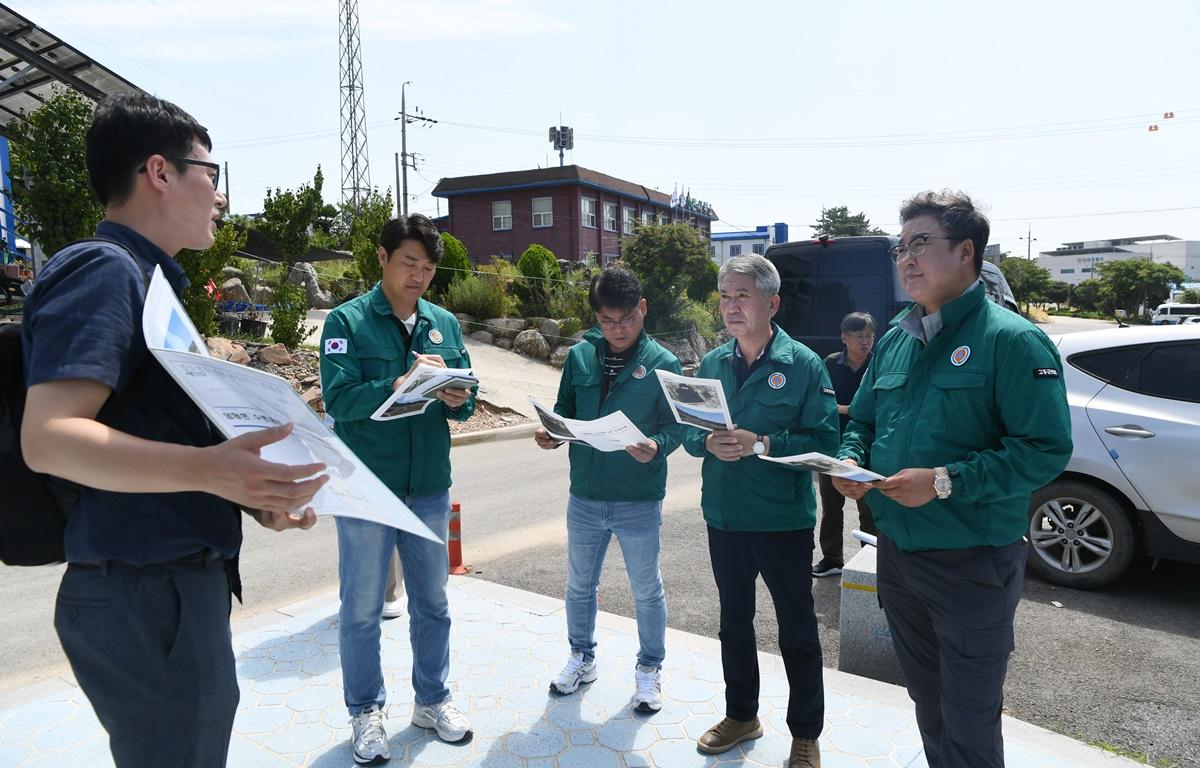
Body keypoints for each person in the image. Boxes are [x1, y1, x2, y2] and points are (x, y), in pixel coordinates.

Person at [20, 93, 327, 768]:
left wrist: (254, 493)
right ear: (159, 171)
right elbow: (48, 437)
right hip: (144, 593)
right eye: (210, 174)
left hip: (165, 589)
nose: (218, 196)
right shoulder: (104, 271)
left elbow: (166, 440)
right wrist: (211, 471)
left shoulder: (151, 284)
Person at [833, 191, 1072, 768]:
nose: (906, 259)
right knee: (929, 703)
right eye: (900, 247)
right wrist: (848, 461)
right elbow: (862, 420)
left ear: (967, 251)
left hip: (971, 563)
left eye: (921, 244)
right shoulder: (895, 338)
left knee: (969, 718)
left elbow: (1045, 451)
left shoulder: (1011, 340)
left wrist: (944, 481)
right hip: (898, 556)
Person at [320, 214, 475, 764]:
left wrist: (457, 396)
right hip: (366, 489)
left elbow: (468, 397)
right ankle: (366, 712)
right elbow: (338, 400)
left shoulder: (443, 325)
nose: (419, 276)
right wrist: (396, 385)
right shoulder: (347, 321)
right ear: (382, 258)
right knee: (361, 608)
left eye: (429, 268)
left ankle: (431, 701)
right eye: (409, 263)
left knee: (433, 603)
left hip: (429, 486)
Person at [681, 254, 839, 768]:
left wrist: (764, 443)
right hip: (724, 517)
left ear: (772, 303)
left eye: (742, 295)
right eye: (725, 296)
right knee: (734, 623)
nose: (731, 306)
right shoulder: (711, 365)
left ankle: (806, 733)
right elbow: (687, 432)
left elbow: (825, 440)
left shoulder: (803, 365)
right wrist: (707, 444)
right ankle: (741, 714)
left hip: (781, 521)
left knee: (796, 628)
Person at [533, 265, 682, 712]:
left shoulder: (664, 363)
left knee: (646, 589)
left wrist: (656, 445)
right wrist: (551, 432)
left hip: (637, 497)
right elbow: (563, 410)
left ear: (643, 308)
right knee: (579, 584)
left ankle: (650, 668)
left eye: (627, 319)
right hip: (585, 496)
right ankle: (581, 657)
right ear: (596, 317)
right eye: (606, 321)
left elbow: (678, 429)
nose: (617, 330)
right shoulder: (580, 357)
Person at [811, 312, 878, 578]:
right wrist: (850, 409)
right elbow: (820, 401)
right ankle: (832, 559)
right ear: (844, 337)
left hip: (867, 446)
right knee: (831, 508)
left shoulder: (878, 364)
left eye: (870, 336)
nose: (866, 342)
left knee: (869, 509)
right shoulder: (829, 364)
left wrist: (852, 410)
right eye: (860, 336)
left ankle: (870, 560)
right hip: (834, 445)